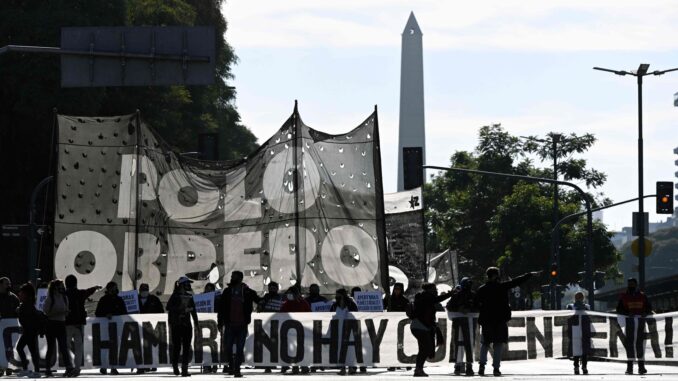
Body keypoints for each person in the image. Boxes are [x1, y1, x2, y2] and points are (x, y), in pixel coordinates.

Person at [476, 267, 540, 376]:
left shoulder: (482, 289)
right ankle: (496, 368)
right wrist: (529, 274)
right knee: (498, 344)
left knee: (485, 343)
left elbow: (476, 304)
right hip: (500, 320)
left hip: (487, 321)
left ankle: (482, 366)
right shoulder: (502, 287)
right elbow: (516, 281)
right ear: (495, 275)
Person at [217, 271, 261, 378]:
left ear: (240, 278)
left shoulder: (247, 291)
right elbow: (221, 308)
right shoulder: (227, 291)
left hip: (242, 324)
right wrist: (220, 322)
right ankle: (231, 365)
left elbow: (259, 300)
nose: (232, 278)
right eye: (232, 276)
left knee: (240, 348)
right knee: (228, 347)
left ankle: (237, 369)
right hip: (229, 324)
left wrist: (262, 303)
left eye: (234, 276)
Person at [410, 283, 453, 377]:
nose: (436, 291)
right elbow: (437, 299)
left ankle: (418, 369)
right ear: (429, 289)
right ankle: (418, 370)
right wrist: (449, 294)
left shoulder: (425, 297)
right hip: (420, 326)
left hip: (420, 326)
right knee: (425, 349)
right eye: (435, 289)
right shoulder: (426, 296)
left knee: (424, 349)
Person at [64, 275, 101, 377]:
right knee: (78, 347)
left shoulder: (63, 294)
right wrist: (96, 287)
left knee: (65, 347)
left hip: (66, 324)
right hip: (79, 324)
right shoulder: (80, 293)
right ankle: (76, 368)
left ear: (66, 283)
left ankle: (69, 367)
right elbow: (88, 291)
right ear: (76, 283)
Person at [616, 278, 653, 375]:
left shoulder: (643, 295)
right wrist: (628, 313)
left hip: (640, 322)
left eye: (632, 284)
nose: (631, 285)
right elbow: (619, 309)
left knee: (640, 343)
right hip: (629, 323)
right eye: (629, 284)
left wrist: (645, 312)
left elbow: (649, 308)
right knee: (630, 344)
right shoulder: (623, 296)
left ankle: (641, 367)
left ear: (636, 285)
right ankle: (630, 367)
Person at [166, 276, 199, 377]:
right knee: (177, 347)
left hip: (187, 325)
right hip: (176, 325)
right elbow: (168, 307)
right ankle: (175, 365)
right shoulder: (175, 296)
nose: (189, 286)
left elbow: (193, 310)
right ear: (182, 285)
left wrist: (196, 323)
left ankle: (184, 368)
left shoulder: (189, 296)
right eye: (187, 284)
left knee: (186, 347)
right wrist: (182, 310)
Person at [43, 279, 75, 377]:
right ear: (55, 287)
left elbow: (65, 310)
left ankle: (68, 367)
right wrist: (59, 313)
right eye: (60, 285)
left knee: (63, 347)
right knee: (51, 347)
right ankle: (47, 368)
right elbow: (46, 312)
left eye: (63, 285)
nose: (62, 287)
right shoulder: (50, 298)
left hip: (61, 324)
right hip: (51, 324)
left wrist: (66, 313)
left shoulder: (65, 297)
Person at [95, 281, 127, 375]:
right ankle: (104, 366)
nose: (114, 290)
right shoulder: (103, 300)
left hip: (116, 327)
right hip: (105, 327)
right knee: (105, 348)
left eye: (115, 288)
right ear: (108, 289)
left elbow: (124, 313)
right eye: (112, 288)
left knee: (114, 347)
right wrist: (106, 315)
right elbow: (97, 313)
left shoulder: (119, 300)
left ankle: (113, 367)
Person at [446, 277, 477, 376]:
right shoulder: (457, 295)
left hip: (468, 323)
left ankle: (468, 365)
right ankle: (459, 365)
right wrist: (459, 308)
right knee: (460, 343)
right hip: (460, 323)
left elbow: (479, 306)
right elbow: (449, 306)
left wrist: (469, 308)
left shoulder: (473, 295)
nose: (468, 286)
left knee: (468, 343)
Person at [280, 287, 311, 374]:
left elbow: (310, 314)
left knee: (303, 348)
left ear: (296, 294)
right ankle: (295, 366)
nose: (289, 295)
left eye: (291, 293)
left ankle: (304, 366)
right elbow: (281, 315)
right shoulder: (286, 304)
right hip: (290, 331)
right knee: (292, 349)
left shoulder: (303, 303)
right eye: (288, 293)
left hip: (302, 329)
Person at [16, 282, 44, 378]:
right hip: (30, 331)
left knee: (22, 348)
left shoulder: (27, 305)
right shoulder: (28, 304)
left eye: (22, 293)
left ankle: (31, 370)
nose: (20, 294)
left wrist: (19, 311)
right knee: (31, 351)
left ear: (26, 294)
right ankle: (32, 370)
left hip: (29, 331)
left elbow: (28, 319)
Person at [137, 283, 163, 374]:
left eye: (145, 289)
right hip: (138, 327)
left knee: (152, 346)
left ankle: (152, 364)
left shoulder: (154, 299)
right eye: (142, 289)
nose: (144, 291)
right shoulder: (134, 299)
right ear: (139, 290)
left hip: (152, 326)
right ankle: (140, 366)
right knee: (140, 346)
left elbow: (161, 312)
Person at [331, 288, 359, 375]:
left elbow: (356, 315)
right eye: (336, 295)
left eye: (339, 295)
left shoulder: (351, 304)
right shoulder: (334, 305)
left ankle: (351, 367)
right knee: (340, 348)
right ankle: (342, 367)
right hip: (339, 330)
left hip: (349, 330)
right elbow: (330, 316)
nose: (337, 297)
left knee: (350, 349)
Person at [566, 291, 590, 375]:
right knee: (576, 350)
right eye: (578, 297)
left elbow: (589, 319)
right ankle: (576, 366)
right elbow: (568, 318)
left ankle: (584, 366)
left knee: (584, 350)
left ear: (583, 298)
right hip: (575, 330)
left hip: (584, 330)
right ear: (575, 298)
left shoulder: (586, 307)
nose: (579, 298)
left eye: (580, 297)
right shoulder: (571, 307)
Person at [0, 277, 20, 377]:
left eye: (9, 283)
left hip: (12, 327)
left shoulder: (14, 298)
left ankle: (9, 367)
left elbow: (19, 312)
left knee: (10, 347)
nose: (9, 286)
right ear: (1, 285)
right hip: (1, 327)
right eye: (6, 284)